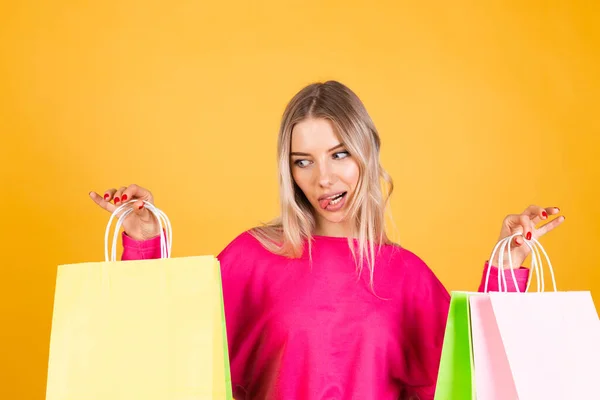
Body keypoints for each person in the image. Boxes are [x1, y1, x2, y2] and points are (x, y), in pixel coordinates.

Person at [89, 81, 565, 399]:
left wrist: (509, 265)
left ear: (367, 153)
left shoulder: (405, 275)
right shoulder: (253, 257)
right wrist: (145, 242)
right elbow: (166, 347)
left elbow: (478, 373)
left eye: (339, 154)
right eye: (303, 160)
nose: (323, 177)